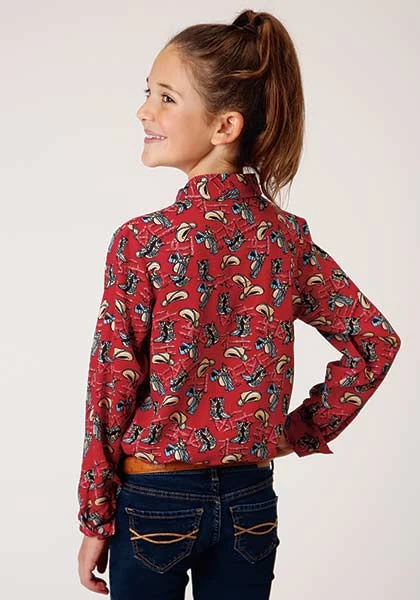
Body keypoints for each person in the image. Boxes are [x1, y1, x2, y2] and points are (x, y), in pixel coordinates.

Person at [76, 9, 401, 599]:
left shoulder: (143, 241)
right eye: (146, 93)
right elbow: (374, 341)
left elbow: (111, 383)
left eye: (166, 97)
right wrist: (298, 432)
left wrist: (96, 516)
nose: (144, 111)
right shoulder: (286, 239)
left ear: (225, 125)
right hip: (250, 499)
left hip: (155, 499)